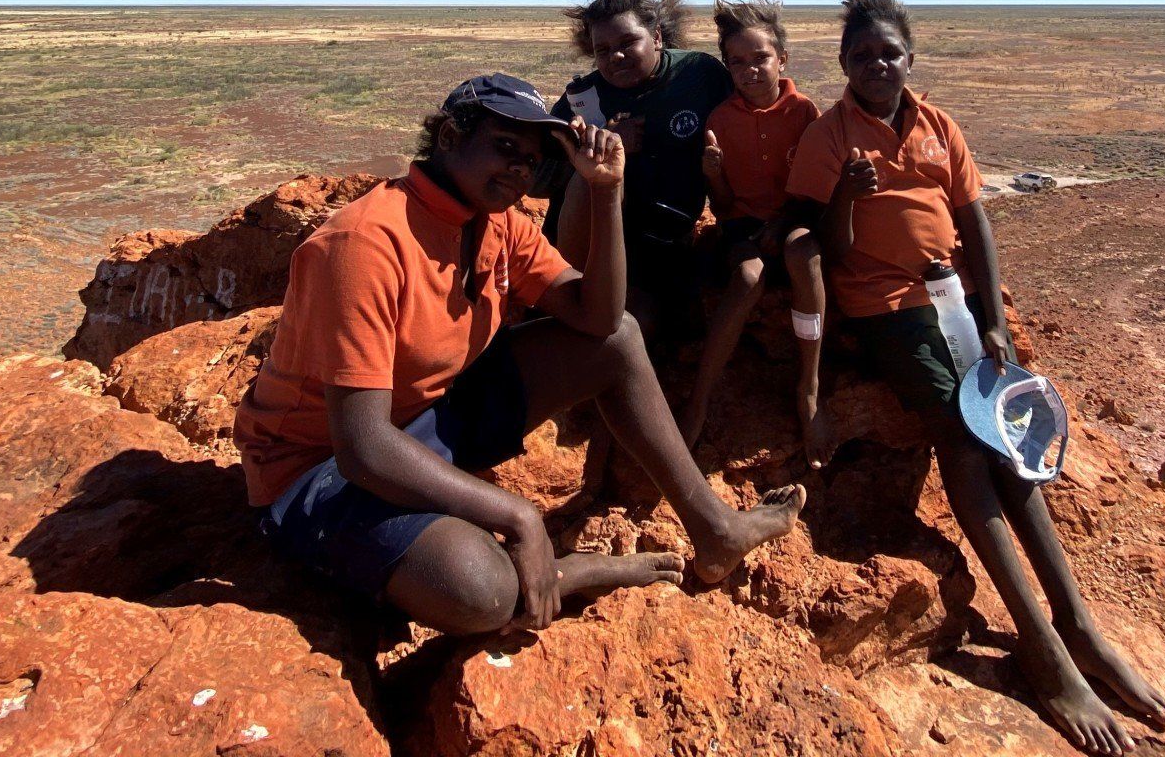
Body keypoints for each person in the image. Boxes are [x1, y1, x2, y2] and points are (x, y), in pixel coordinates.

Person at [233, 72, 805, 635]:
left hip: (428, 417)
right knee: (481, 592)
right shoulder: (364, 246)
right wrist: (520, 515)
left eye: (530, 160)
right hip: (319, 467)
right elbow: (360, 447)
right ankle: (571, 571)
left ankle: (715, 532)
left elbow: (600, 318)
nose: (519, 169)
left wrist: (606, 191)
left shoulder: (497, 220)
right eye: (505, 147)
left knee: (620, 340)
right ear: (450, 138)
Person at [786, 0, 1165, 756]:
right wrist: (845, 200)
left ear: (910, 58)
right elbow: (806, 236)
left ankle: (1077, 624)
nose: (876, 64)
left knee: (1011, 438)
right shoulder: (831, 137)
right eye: (861, 55)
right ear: (843, 65)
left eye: (888, 52)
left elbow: (975, 221)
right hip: (885, 305)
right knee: (963, 440)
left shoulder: (938, 126)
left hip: (955, 300)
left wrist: (991, 314)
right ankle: (1041, 645)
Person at [680, 0, 833, 468]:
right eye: (737, 62)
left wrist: (784, 223)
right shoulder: (720, 120)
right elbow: (724, 210)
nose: (750, 70)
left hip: (793, 221)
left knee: (801, 251)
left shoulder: (805, 113)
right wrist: (715, 175)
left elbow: (813, 194)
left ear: (782, 59)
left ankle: (808, 387)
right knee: (747, 278)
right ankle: (699, 399)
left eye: (761, 58)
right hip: (743, 227)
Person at [542, 0, 732, 339]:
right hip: (592, 240)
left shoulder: (699, 76)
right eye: (602, 50)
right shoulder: (584, 97)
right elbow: (538, 177)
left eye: (628, 42)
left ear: (657, 36)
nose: (615, 57)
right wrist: (592, 150)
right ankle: (576, 294)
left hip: (663, 237)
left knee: (650, 321)